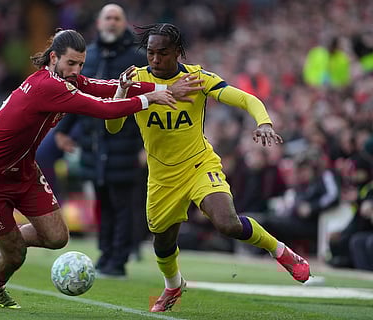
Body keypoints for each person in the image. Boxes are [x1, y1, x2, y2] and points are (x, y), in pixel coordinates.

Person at [0, 28, 195, 309]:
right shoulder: (47, 86)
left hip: (24, 170)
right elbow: (104, 109)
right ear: (53, 58)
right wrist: (151, 99)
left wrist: (166, 88)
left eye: (81, 64)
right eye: (70, 63)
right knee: (14, 255)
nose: (76, 70)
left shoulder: (64, 79)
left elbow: (107, 88)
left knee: (58, 237)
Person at [105, 23, 311, 313]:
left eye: (162, 53)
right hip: (162, 176)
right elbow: (112, 127)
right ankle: (173, 285)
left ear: (178, 52)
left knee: (227, 223)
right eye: (150, 53)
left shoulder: (197, 78)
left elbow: (245, 98)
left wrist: (263, 121)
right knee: (162, 243)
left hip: (199, 165)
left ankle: (280, 250)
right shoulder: (135, 80)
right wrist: (121, 93)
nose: (154, 59)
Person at [48, 3, 150, 278]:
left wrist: (144, 146)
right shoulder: (88, 56)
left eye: (117, 18)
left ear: (124, 23)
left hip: (125, 141)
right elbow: (74, 93)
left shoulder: (137, 58)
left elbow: (146, 103)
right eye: (108, 18)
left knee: (123, 202)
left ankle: (118, 260)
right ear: (99, 22)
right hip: (94, 142)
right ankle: (105, 255)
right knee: (101, 202)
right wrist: (63, 130)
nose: (112, 22)